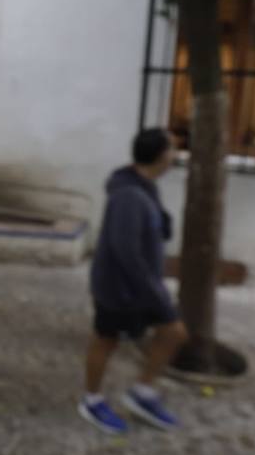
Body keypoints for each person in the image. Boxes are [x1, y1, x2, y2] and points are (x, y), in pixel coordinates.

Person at [78, 128, 190, 434]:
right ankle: (91, 400)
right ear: (162, 155)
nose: (175, 155)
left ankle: (142, 393)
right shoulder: (129, 194)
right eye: (173, 149)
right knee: (107, 339)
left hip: (140, 285)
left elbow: (151, 230)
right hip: (120, 287)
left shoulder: (144, 185)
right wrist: (153, 292)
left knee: (173, 333)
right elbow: (125, 249)